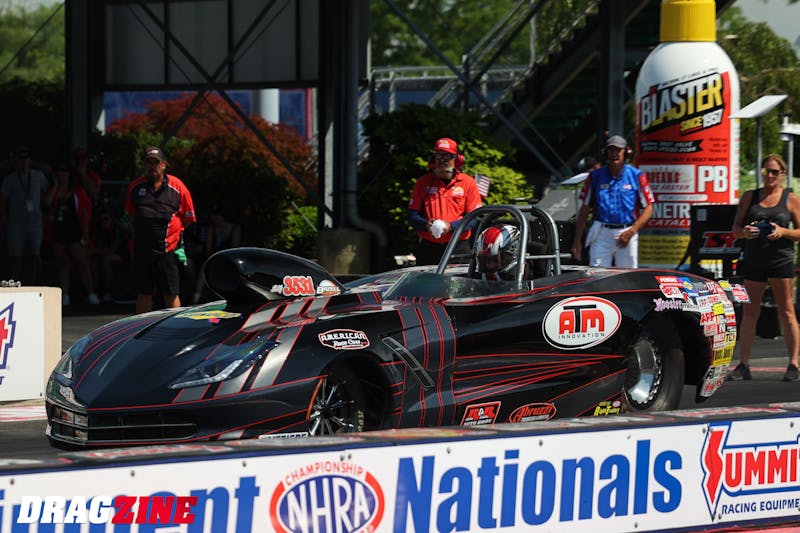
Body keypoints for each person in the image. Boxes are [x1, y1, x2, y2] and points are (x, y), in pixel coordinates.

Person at [728, 154, 800, 382]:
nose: (769, 176)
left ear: (782, 174)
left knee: (786, 311)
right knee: (750, 312)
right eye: (766, 171)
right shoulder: (750, 197)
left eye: (774, 172)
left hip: (780, 260)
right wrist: (744, 232)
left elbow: (799, 232)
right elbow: (735, 228)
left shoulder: (790, 198)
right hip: (754, 260)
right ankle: (743, 364)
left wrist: (783, 231)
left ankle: (794, 364)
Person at [125, 146, 196, 314]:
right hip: (143, 250)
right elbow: (131, 215)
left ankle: (175, 326)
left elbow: (189, 218)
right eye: (148, 163)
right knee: (144, 293)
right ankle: (142, 326)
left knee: (171, 292)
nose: (152, 167)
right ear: (143, 165)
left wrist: (174, 235)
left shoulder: (177, 186)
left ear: (163, 165)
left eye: (155, 163)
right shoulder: (135, 187)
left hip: (168, 250)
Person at [571, 135, 654, 268]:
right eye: (611, 150)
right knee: (596, 273)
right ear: (606, 153)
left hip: (627, 230)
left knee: (627, 275)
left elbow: (649, 208)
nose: (614, 154)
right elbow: (584, 209)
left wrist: (632, 231)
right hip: (601, 232)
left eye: (618, 150)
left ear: (626, 152)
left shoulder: (637, 176)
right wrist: (577, 240)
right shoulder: (595, 176)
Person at [408, 138, 482, 265]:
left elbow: (473, 219)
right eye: (438, 155)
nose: (442, 160)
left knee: (457, 278)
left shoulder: (468, 183)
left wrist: (451, 227)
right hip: (428, 248)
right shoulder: (423, 182)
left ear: (456, 159)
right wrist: (426, 225)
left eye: (447, 156)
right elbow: (412, 217)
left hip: (458, 247)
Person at [44, 163, 100, 306]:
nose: (62, 174)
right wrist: (56, 185)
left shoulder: (77, 191)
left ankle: (91, 293)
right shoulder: (54, 190)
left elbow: (84, 212)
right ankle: (65, 294)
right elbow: (46, 202)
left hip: (75, 230)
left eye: (64, 172)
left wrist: (85, 233)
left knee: (82, 262)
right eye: (59, 172)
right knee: (62, 263)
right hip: (57, 230)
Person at [0, 146, 51, 285]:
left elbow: (48, 175)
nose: (24, 161)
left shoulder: (38, 176)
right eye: (21, 158)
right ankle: (13, 286)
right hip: (16, 224)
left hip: (35, 223)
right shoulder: (10, 179)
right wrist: (4, 220)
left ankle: (31, 286)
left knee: (33, 257)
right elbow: (2, 201)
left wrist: (46, 216)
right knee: (15, 258)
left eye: (26, 158)